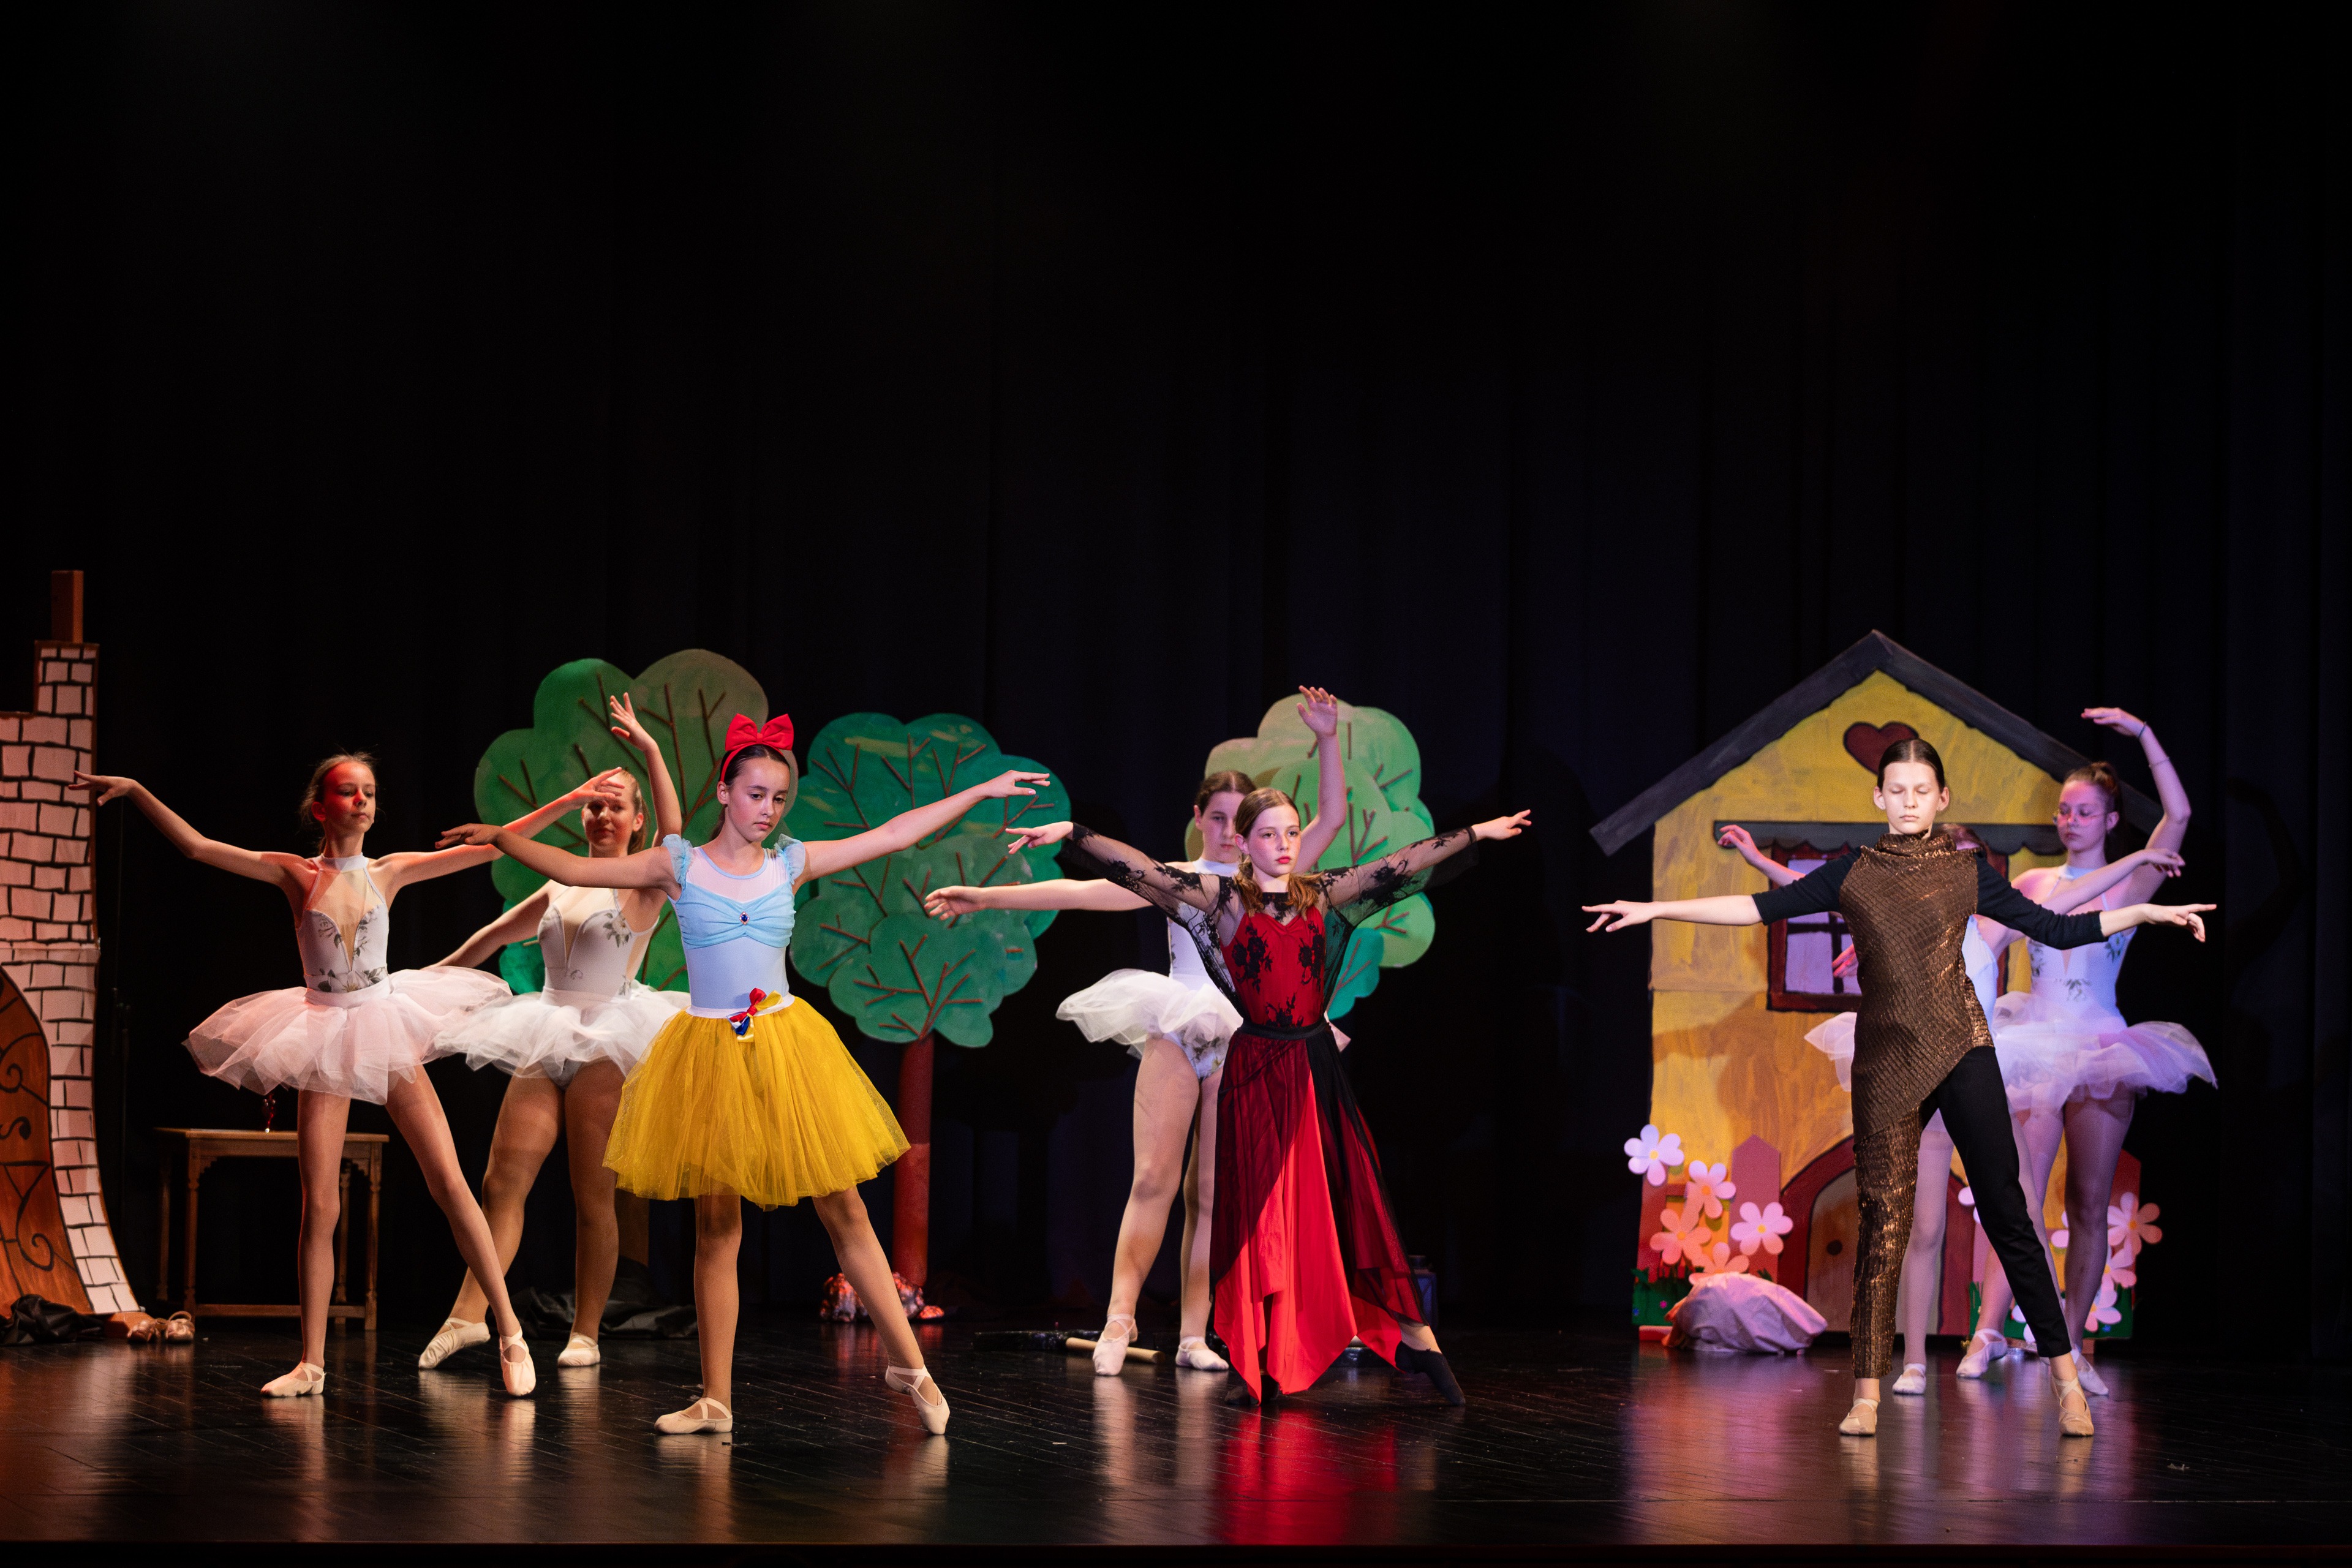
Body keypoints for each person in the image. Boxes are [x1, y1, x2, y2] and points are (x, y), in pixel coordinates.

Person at [439, 714, 1049, 1436]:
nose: (768, 809)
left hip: (786, 1044)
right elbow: (574, 870)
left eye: (779, 798)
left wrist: (978, 791)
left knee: (844, 1208)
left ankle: (910, 1366)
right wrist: (502, 838)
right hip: (710, 1050)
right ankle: (716, 1399)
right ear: (725, 792)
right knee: (716, 1227)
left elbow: (893, 834)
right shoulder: (678, 865)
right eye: (756, 794)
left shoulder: (789, 863)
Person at [1587, 739, 2213, 1438]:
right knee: (1883, 1222)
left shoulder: (1967, 874)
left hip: (1966, 1052)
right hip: (1887, 1060)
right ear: (1879, 797)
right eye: (1898, 789)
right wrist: (1655, 908)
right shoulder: (1855, 872)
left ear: (1941, 799)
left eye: (1922, 790)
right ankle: (1867, 1394)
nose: (1910, 801)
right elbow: (1762, 906)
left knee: (2009, 1213)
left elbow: (2057, 927)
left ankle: (2066, 1380)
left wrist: (2146, 913)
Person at [72, 756, 624, 1400]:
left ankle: (508, 1330)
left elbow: (489, 847)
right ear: (321, 807)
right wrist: (139, 789)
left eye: (369, 792)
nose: (362, 800)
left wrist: (570, 798)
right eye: (348, 791)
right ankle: (311, 1363)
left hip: (385, 1023)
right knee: (321, 1206)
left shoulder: (390, 871)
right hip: (324, 1035)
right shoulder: (295, 874)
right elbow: (199, 847)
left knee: (450, 1182)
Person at [1001, 794, 1533, 1407]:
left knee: (1351, 1202)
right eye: (1269, 834)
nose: (1284, 845)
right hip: (1254, 1069)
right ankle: (1264, 1359)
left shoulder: (1320, 894)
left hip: (1312, 1069)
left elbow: (1400, 863)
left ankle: (1415, 1338)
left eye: (1292, 833)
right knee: (1257, 1218)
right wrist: (1074, 832)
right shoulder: (1222, 900)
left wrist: (1477, 833)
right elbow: (1141, 870)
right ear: (1244, 843)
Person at [921, 689, 1348, 1377]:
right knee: (1152, 1178)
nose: (1230, 832)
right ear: (1198, 818)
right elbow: (1082, 893)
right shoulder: (1178, 880)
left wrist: (1327, 739)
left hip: (1245, 1039)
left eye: (1241, 820)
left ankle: (1193, 1335)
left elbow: (1331, 818)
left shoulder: (1277, 881)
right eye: (1217, 818)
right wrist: (983, 896)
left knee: (1211, 1193)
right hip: (1180, 1024)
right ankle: (1120, 1317)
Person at [1719, 823, 2179, 1395]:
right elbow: (1817, 892)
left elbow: (2069, 902)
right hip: (1921, 1080)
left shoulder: (1993, 927)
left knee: (2022, 1214)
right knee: (1926, 1226)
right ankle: (1914, 1362)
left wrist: (2135, 861)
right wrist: (1758, 859)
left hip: (1979, 1080)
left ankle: (2063, 1355)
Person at [417, 695, 688, 1373]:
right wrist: (419, 984)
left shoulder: (647, 881)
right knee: (501, 1181)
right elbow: (488, 939)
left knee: (592, 1195)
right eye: (593, 805)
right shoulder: (561, 883)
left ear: (637, 821)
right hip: (546, 1027)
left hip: (607, 1037)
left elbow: (676, 829)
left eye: (616, 806)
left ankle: (586, 1332)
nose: (601, 815)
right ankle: (468, 1316)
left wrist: (652, 750)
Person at [1961, 708, 2212, 1393]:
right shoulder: (2034, 885)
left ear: (2110, 820)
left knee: (2089, 1203)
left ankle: (2070, 1345)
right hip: (2037, 1046)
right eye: (2064, 811)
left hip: (2103, 1047)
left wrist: (2144, 734)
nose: (2070, 821)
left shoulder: (2135, 881)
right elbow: (1977, 947)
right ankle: (1989, 1331)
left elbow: (2180, 815)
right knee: (2016, 1197)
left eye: (2084, 811)